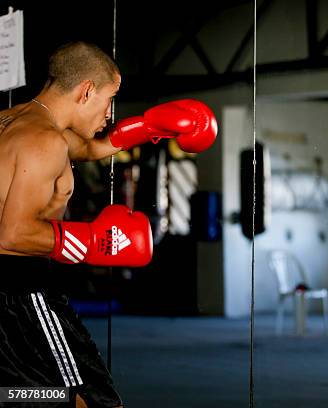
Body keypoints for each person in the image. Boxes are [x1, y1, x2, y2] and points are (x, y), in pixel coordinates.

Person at [0, 41, 217, 407]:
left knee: (25, 396)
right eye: (109, 99)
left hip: (12, 293)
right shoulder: (43, 140)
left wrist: (149, 127)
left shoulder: (17, 121)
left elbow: (90, 148)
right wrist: (97, 241)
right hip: (23, 294)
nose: (109, 113)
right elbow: (14, 233)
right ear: (86, 91)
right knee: (88, 399)